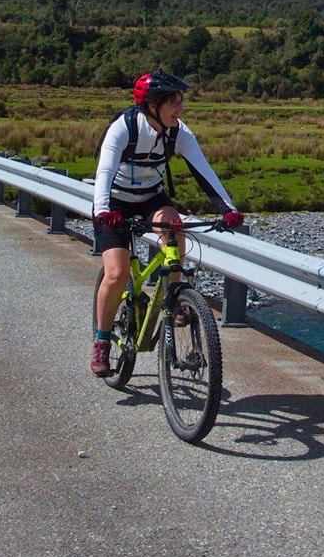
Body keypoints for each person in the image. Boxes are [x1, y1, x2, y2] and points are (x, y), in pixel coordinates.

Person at [90, 71, 242, 375]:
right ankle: (102, 343)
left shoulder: (178, 132)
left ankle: (175, 297)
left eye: (181, 101)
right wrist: (104, 209)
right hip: (115, 203)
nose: (180, 108)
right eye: (173, 102)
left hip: (150, 198)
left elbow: (204, 172)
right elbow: (104, 171)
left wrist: (228, 208)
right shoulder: (125, 128)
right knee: (117, 273)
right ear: (152, 105)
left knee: (174, 226)